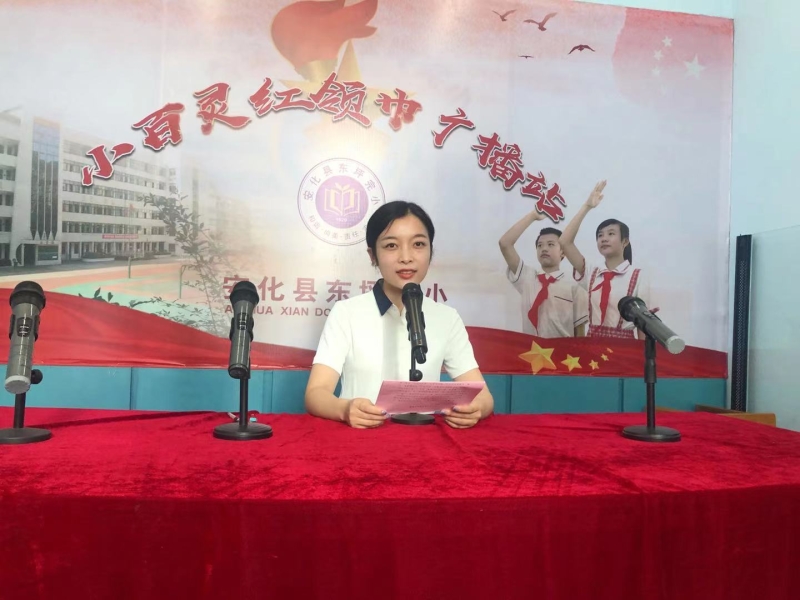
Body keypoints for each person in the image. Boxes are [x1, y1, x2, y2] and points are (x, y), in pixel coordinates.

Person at [304, 200, 494, 429]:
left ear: (431, 251)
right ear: (372, 255)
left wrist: (475, 409)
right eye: (391, 245)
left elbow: (484, 396)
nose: (406, 257)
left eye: (418, 244)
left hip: (424, 441)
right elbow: (316, 393)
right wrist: (345, 409)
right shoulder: (346, 313)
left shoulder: (447, 317)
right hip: (361, 439)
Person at [558, 180, 657, 339]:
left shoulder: (638, 276)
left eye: (611, 234)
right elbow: (564, 242)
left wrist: (641, 354)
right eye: (600, 235)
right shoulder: (591, 272)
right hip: (592, 344)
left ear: (625, 241)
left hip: (624, 347)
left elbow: (643, 325)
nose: (604, 239)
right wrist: (587, 206)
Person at [499, 209, 588, 337]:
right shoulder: (527, 278)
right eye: (540, 245)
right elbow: (505, 244)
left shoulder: (575, 289)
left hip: (562, 349)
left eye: (551, 244)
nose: (544, 248)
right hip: (531, 348)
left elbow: (580, 336)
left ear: (563, 252)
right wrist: (533, 216)